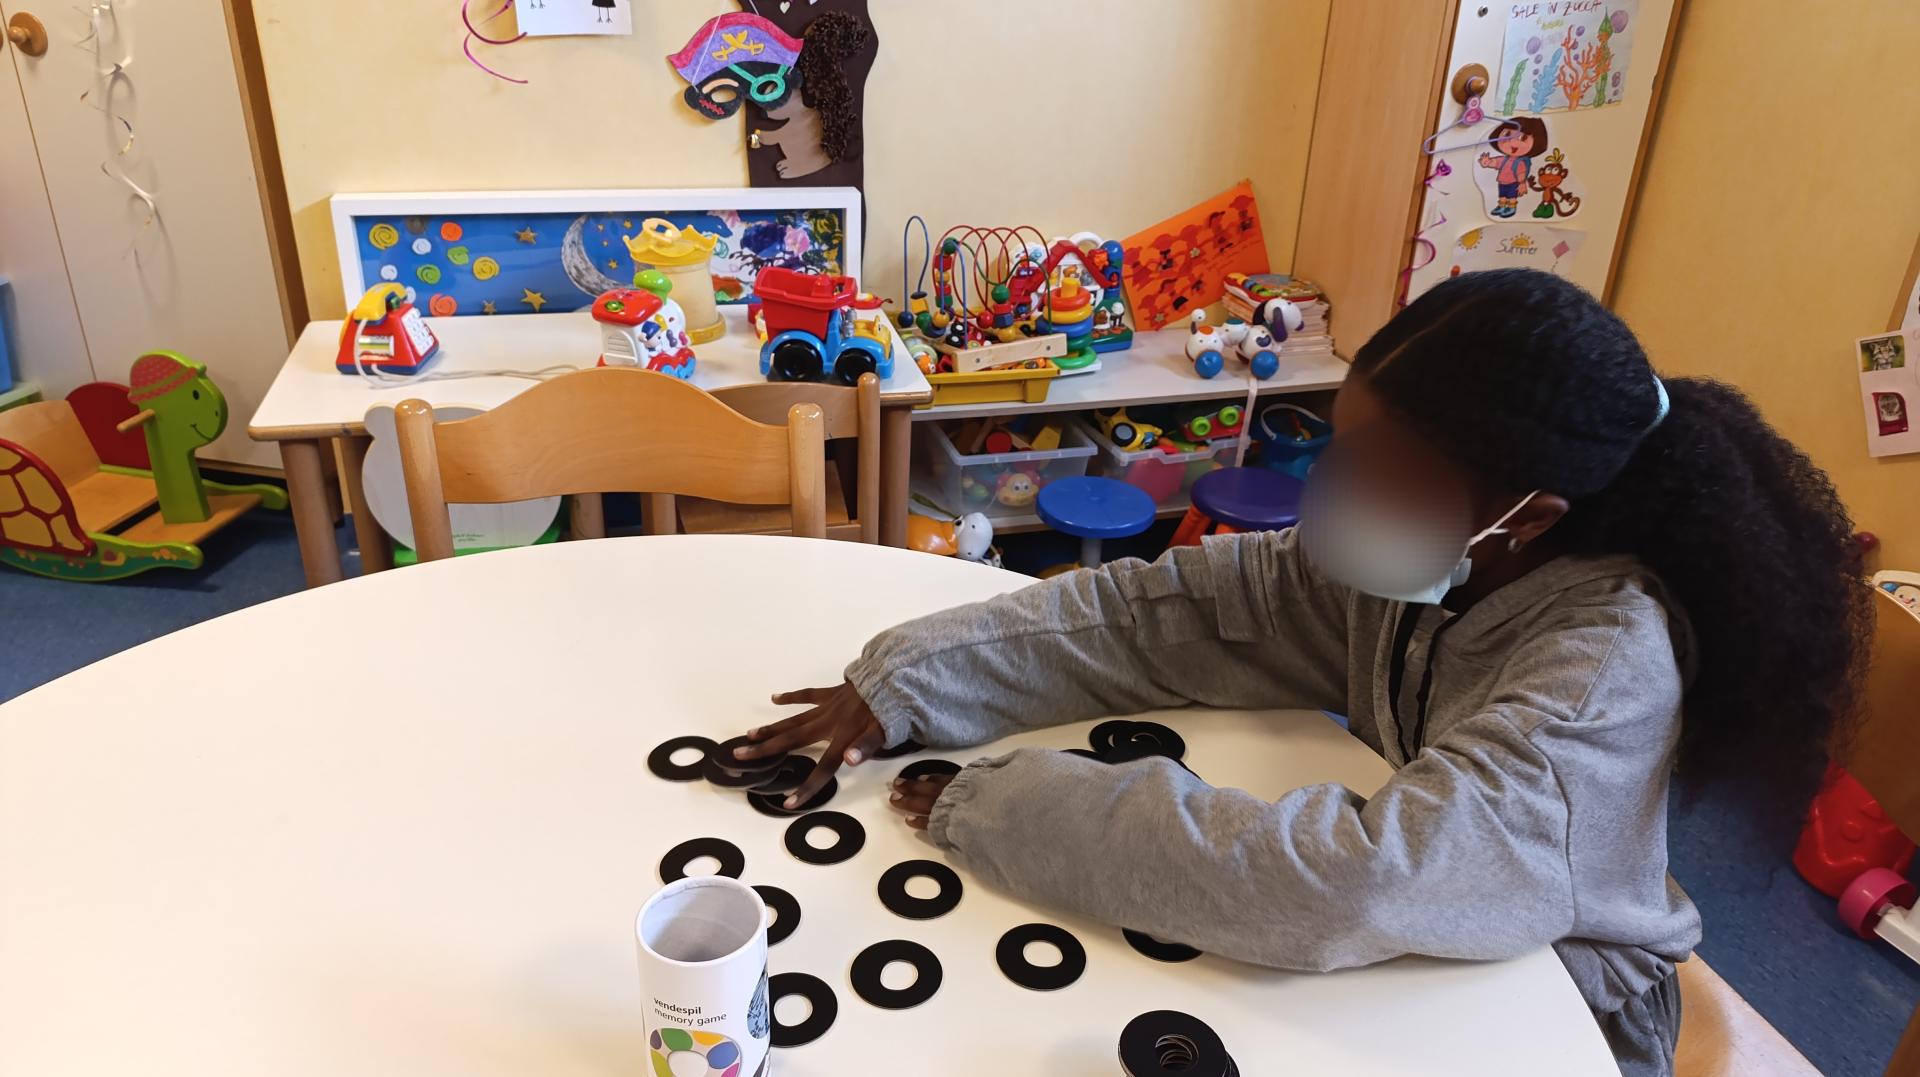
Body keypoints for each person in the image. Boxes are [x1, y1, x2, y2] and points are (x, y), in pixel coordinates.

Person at [736, 269, 1870, 1077]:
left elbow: (1349, 883)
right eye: (1342, 445)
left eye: (1378, 468)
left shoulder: (1598, 678)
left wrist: (1008, 804)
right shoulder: (1434, 558)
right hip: (1419, 946)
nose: (1334, 493)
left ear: (1527, 516)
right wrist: (913, 675)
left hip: (1552, 1015)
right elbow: (1170, 609)